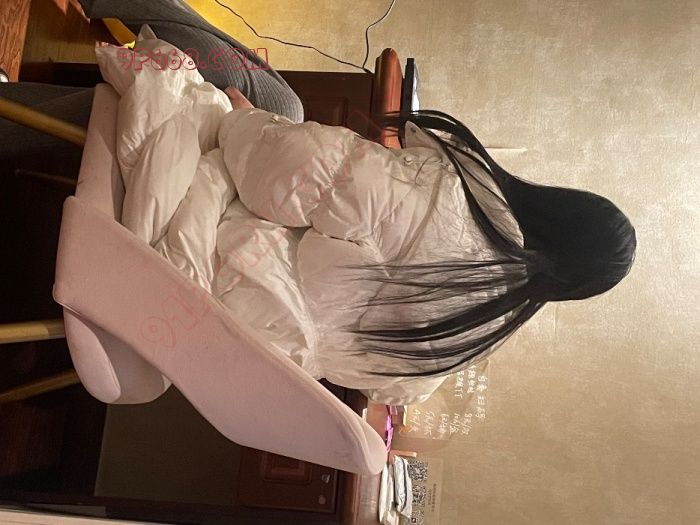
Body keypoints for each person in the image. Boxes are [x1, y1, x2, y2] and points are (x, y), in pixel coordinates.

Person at [219, 87, 637, 404]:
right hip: (252, 353)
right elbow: (392, 391)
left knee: (277, 97)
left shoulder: (451, 196)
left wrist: (243, 121)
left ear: (561, 205)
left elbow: (293, 167)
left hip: (224, 249)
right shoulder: (484, 332)